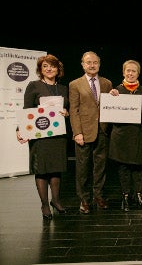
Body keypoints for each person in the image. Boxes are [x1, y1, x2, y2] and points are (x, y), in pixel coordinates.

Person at [16, 54, 69, 220]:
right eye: (45, 66)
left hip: (57, 134)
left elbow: (66, 109)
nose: (49, 69)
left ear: (58, 69)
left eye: (52, 66)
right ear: (40, 69)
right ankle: (45, 204)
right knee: (41, 169)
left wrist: (66, 113)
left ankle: (56, 200)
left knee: (56, 167)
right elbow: (26, 110)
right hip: (40, 135)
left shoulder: (63, 89)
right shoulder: (33, 86)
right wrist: (20, 130)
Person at [108, 60, 142, 211]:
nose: (130, 73)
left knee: (138, 168)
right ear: (123, 72)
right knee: (123, 168)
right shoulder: (115, 91)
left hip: (139, 135)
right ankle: (126, 197)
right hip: (121, 136)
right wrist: (110, 98)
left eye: (133, 71)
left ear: (138, 73)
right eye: (127, 71)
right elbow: (108, 112)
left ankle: (138, 196)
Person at [69, 51, 113, 214]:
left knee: (100, 168)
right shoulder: (75, 84)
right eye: (88, 62)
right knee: (82, 168)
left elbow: (110, 105)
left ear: (99, 64)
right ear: (82, 64)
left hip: (102, 131)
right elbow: (74, 110)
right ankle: (84, 200)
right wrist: (77, 132)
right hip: (84, 132)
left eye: (95, 62)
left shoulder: (107, 83)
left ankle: (99, 197)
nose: (92, 65)